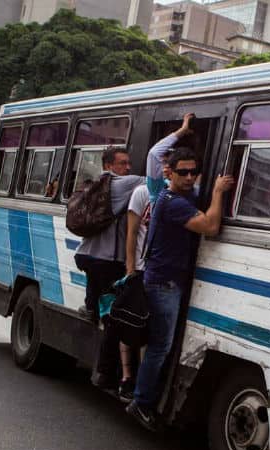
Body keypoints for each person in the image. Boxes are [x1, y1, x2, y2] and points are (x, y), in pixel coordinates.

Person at [126, 148, 235, 429]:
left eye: (193, 172)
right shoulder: (172, 201)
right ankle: (142, 403)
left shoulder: (184, 197)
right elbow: (210, 226)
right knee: (160, 346)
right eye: (182, 172)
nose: (189, 177)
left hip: (169, 280)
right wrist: (219, 192)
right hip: (163, 283)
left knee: (160, 344)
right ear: (169, 173)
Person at [118, 114, 195, 402]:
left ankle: (139, 388)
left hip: (156, 271)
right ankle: (135, 389)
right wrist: (181, 131)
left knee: (151, 337)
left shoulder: (188, 193)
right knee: (144, 334)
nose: (186, 177)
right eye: (171, 166)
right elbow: (153, 154)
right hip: (148, 271)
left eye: (191, 172)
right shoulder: (156, 192)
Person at [74, 147, 144, 389]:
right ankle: (104, 373)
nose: (128, 168)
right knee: (113, 319)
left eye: (128, 163)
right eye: (123, 163)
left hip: (87, 256)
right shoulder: (122, 184)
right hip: (106, 262)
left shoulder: (97, 185)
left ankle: (91, 307)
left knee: (100, 307)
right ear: (109, 166)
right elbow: (155, 180)